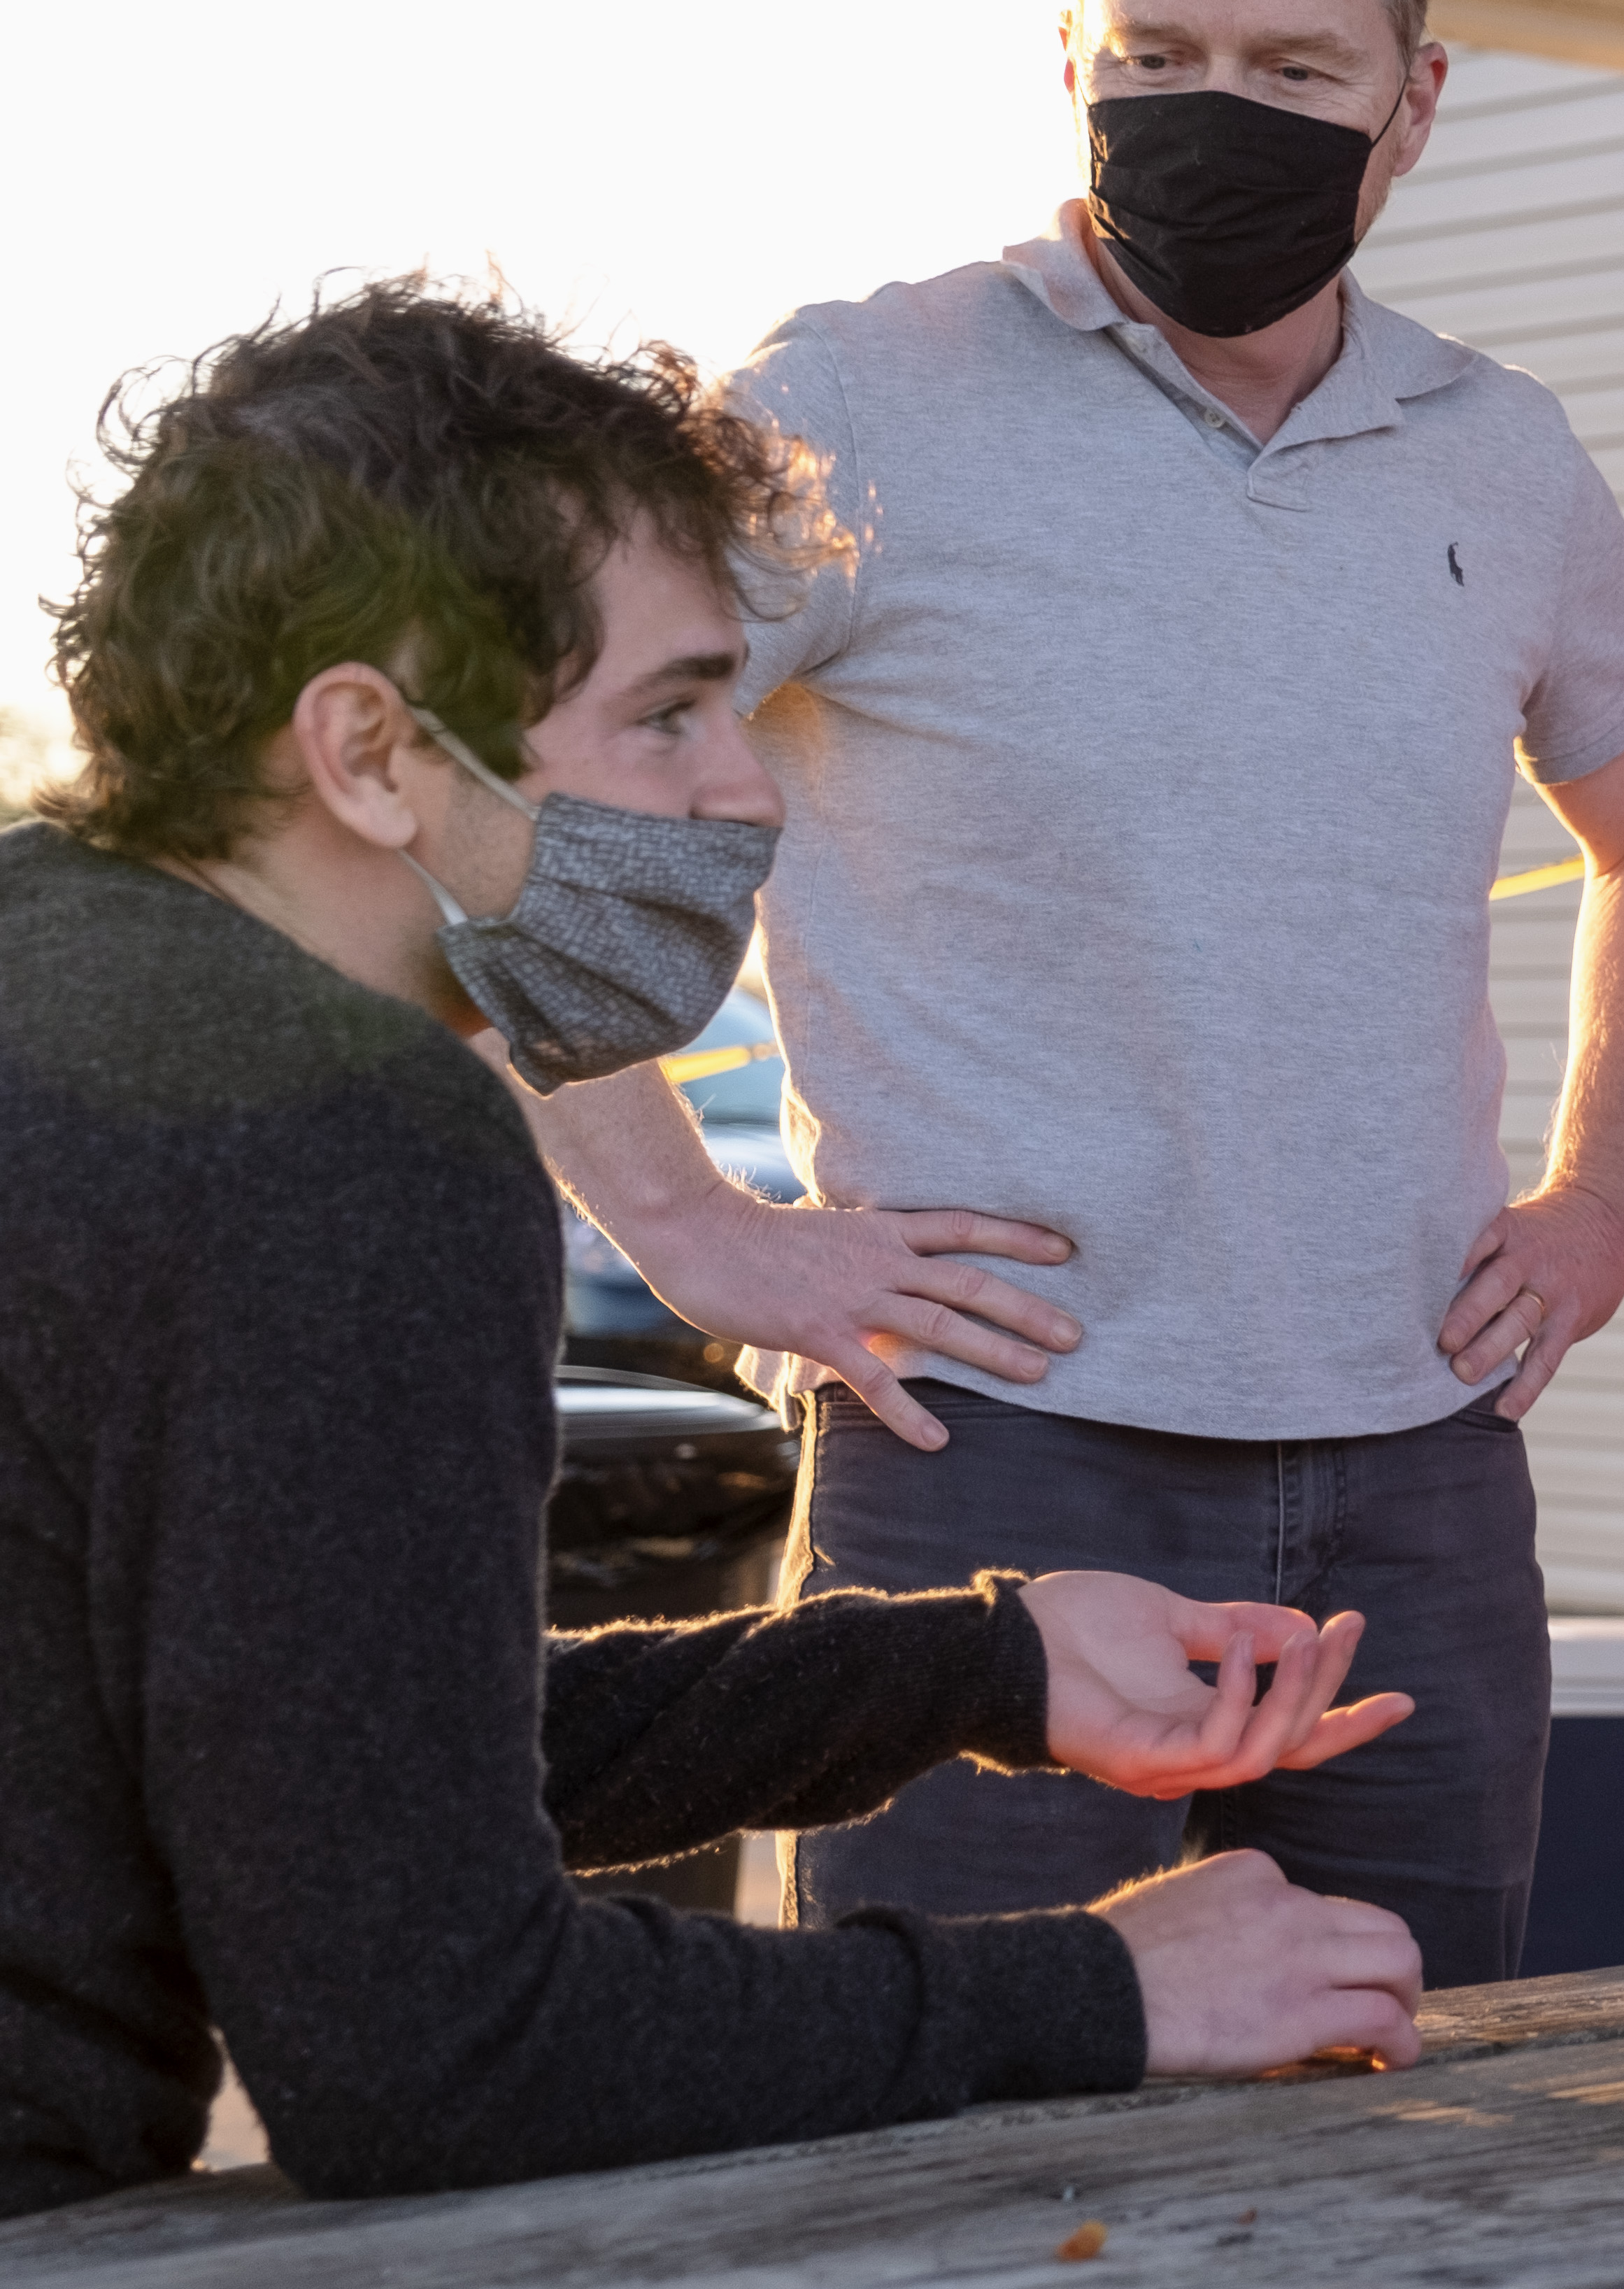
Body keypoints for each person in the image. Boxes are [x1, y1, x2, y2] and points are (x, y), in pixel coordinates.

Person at [0, 282, 1431, 2220]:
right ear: (370, 751)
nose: (746, 790)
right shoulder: (333, 1135)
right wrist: (1102, 1983)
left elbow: (322, 1752)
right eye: (666, 711)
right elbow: (434, 2044)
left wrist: (976, 1665)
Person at [515, 0, 1624, 1980]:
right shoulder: (855, 403)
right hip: (986, 1474)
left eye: (1290, 68)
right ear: (1066, 60)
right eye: (1153, 58)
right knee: (939, 2155)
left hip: (1412, 1478)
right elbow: (538, 777)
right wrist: (694, 1229)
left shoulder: (1502, 454)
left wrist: (1598, 1209)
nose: (1213, 112)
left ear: (1414, 100)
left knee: (1412, 2115)